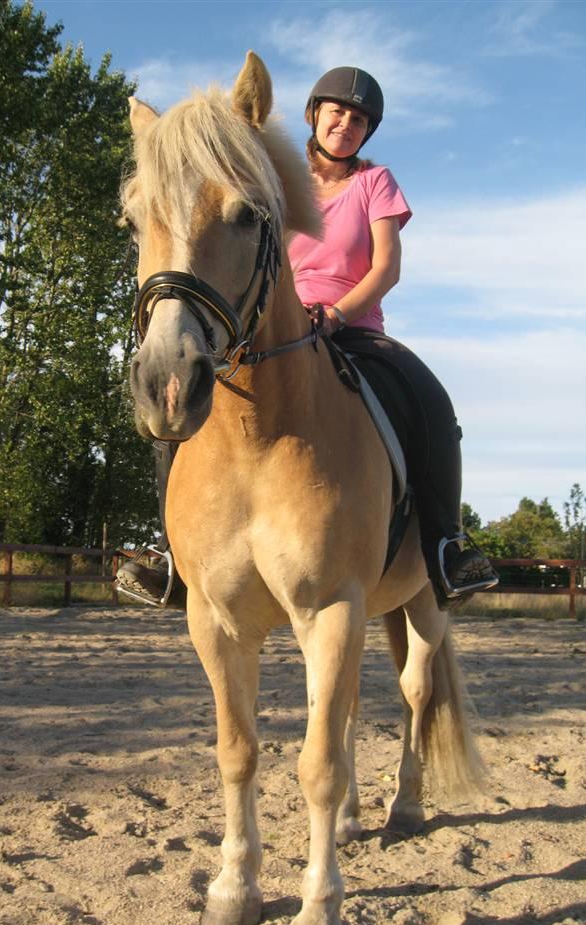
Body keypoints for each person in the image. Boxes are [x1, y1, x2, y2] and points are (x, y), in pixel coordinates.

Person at [117, 65, 498, 609]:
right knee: (178, 409)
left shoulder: (375, 183)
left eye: (360, 119)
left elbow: (385, 268)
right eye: (338, 111)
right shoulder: (266, 175)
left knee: (429, 397)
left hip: (352, 329)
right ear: (314, 115)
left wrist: (338, 315)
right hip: (267, 327)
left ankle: (446, 544)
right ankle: (172, 555)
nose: (347, 123)